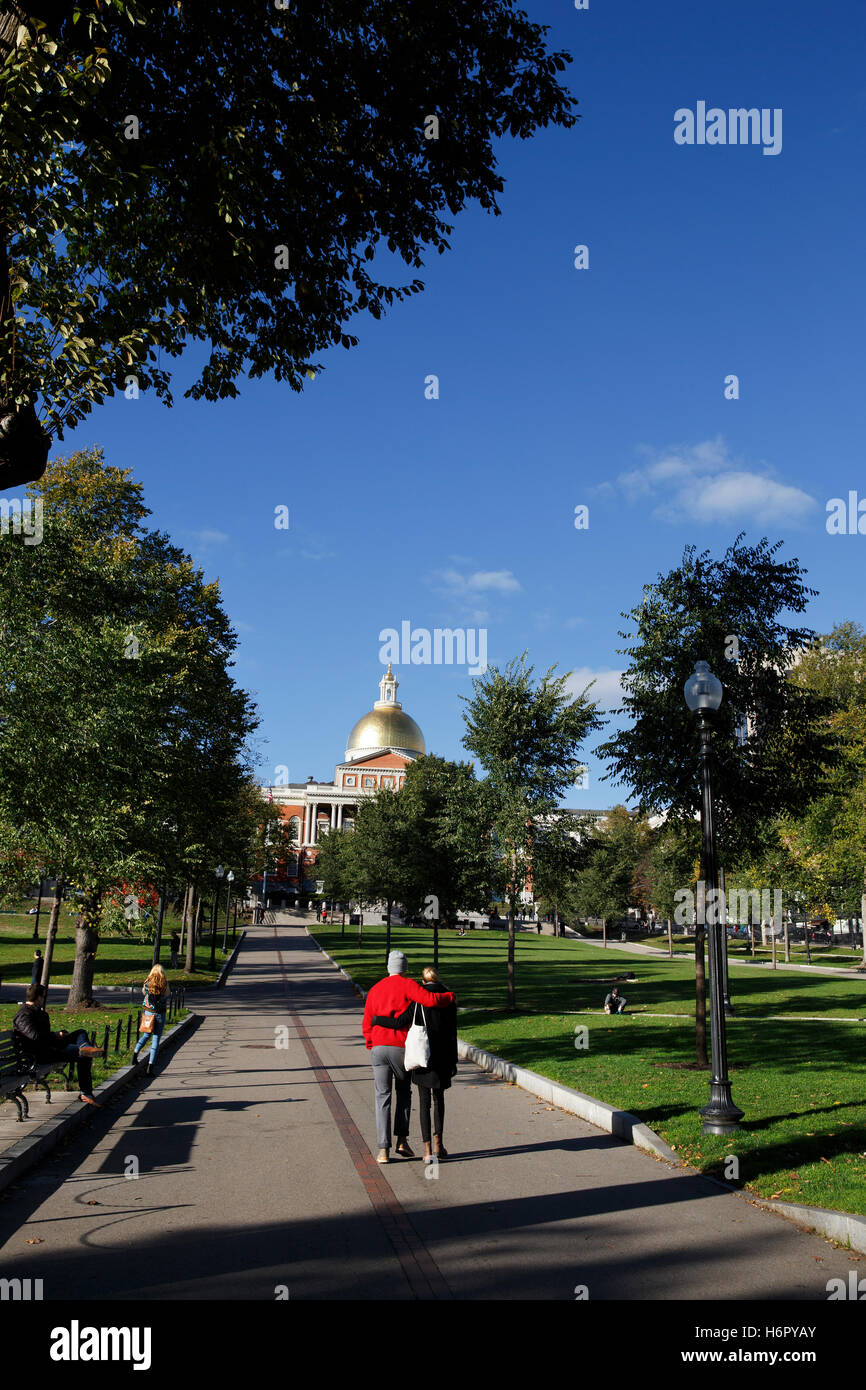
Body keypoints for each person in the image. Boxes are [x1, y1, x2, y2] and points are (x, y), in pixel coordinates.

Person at [362, 950, 456, 1165]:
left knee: (381, 1097)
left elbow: (367, 1021)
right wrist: (450, 996)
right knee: (403, 1092)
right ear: (404, 968)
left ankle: (382, 1150)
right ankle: (402, 1140)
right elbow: (431, 1000)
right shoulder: (408, 985)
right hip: (399, 1048)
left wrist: (371, 1041)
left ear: (388, 967)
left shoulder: (375, 989)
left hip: (378, 1047)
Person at [13, 983, 102, 1106]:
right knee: (83, 1056)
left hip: (50, 1046)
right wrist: (55, 1035)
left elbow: (41, 1034)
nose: (44, 999)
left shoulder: (37, 1012)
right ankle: (86, 1093)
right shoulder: (24, 1014)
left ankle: (85, 1047)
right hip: (41, 1054)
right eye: (43, 997)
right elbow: (35, 1036)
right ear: (38, 997)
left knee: (80, 1032)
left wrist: (57, 1035)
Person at [132, 964, 170, 1075]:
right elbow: (168, 994)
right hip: (160, 1013)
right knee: (156, 1040)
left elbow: (144, 993)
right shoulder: (165, 983)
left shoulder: (147, 982)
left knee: (146, 1035)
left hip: (148, 1012)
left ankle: (135, 1054)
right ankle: (150, 1067)